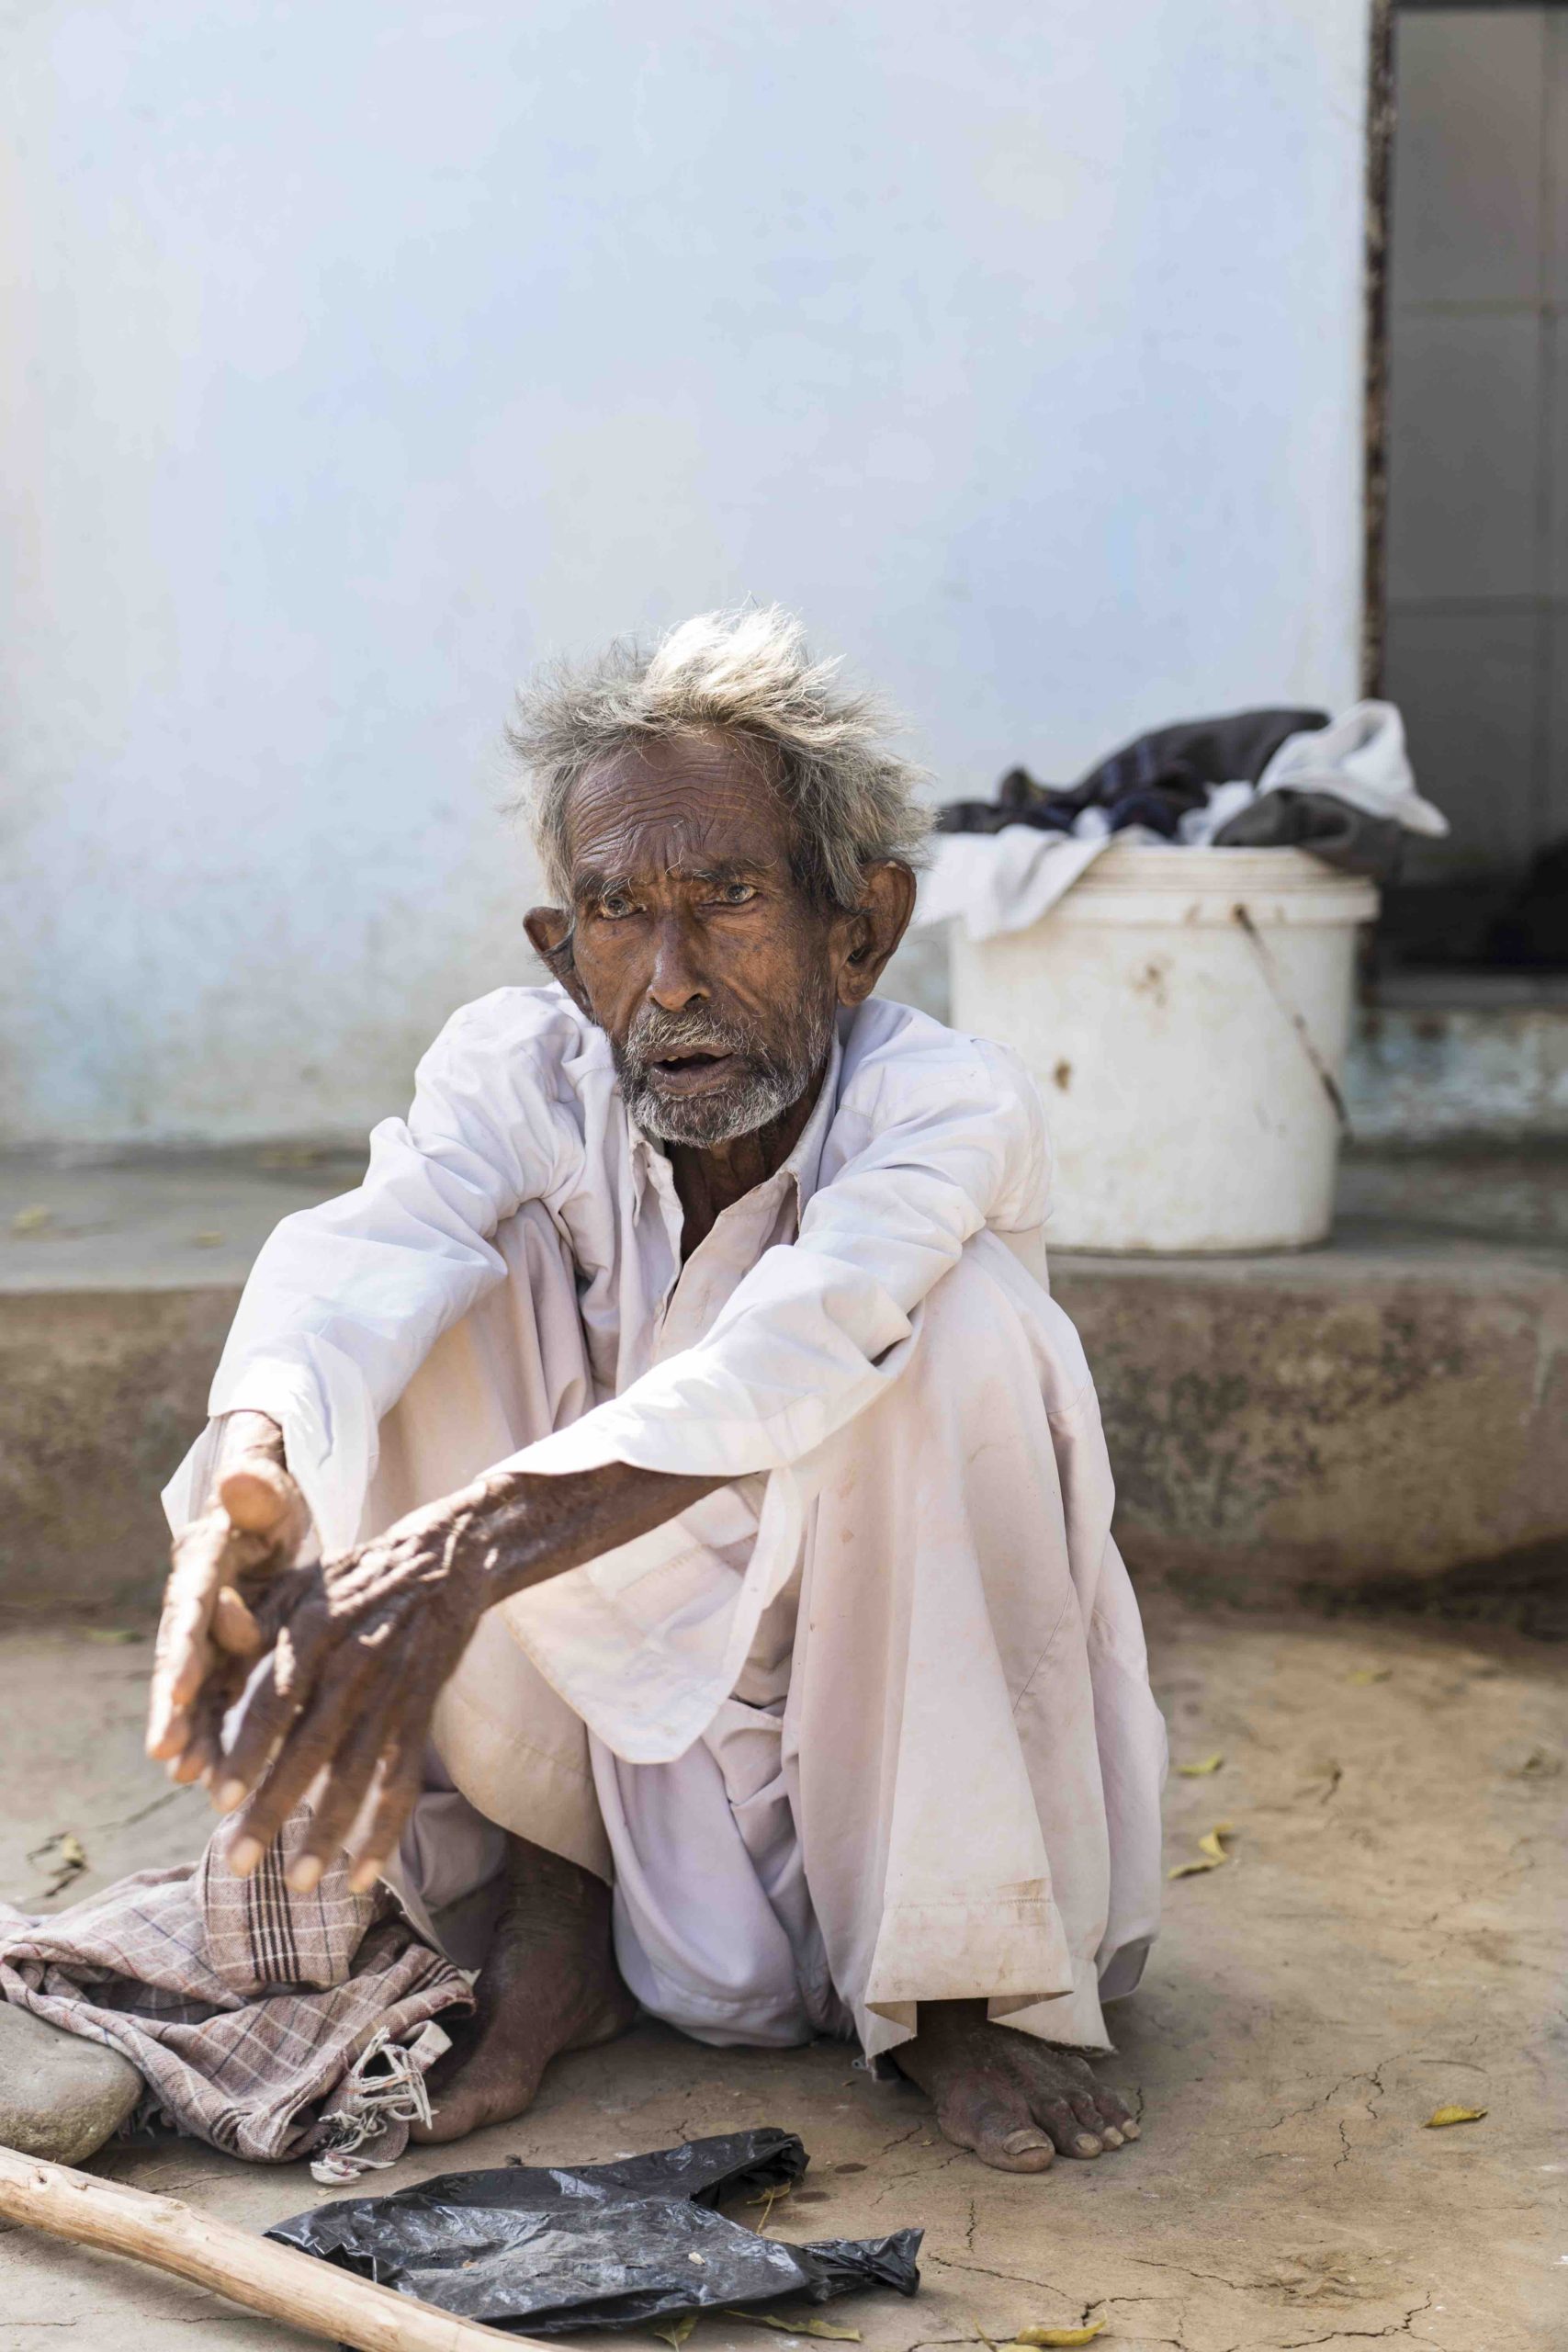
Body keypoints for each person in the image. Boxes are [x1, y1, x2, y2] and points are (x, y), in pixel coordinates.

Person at [151, 607, 1166, 2176]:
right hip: (624, 1772)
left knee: (967, 1327)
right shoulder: (520, 1075)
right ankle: (558, 1908)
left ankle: (962, 1974)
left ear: (860, 930)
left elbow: (804, 1342)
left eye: (730, 902)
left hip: (879, 1744)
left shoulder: (939, 1105)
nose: (672, 978)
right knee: (425, 1302)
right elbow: (352, 1256)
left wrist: (464, 1549)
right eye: (618, 916)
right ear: (566, 956)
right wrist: (258, 1469)